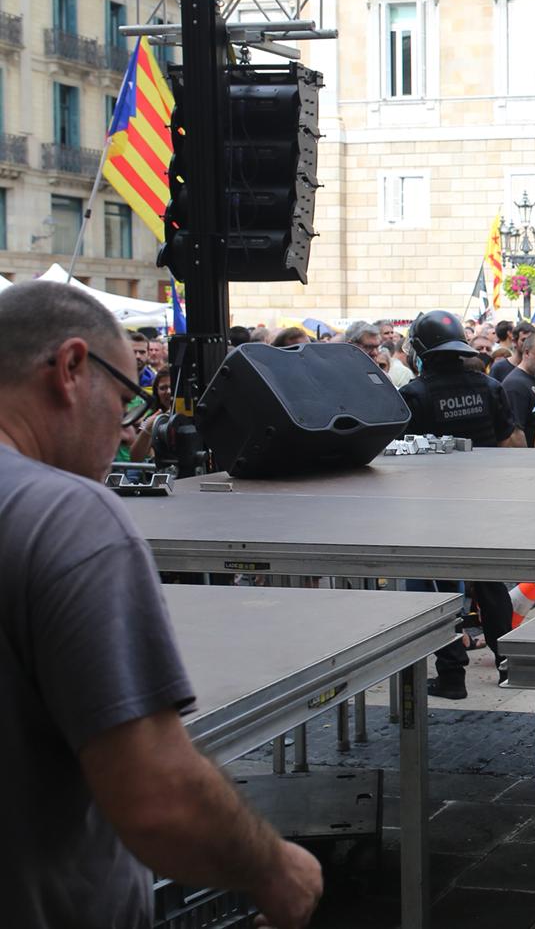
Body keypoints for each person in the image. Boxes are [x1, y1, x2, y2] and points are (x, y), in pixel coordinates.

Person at [0, 281, 323, 928]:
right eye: (124, 398)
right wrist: (277, 871)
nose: (124, 429)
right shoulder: (66, 515)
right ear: (70, 369)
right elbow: (158, 802)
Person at [398, 310, 523, 697]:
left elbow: (400, 456)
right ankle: (508, 666)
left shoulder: (414, 395)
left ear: (422, 351)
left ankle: (452, 675)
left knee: (440, 588)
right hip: (482, 500)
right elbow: (512, 442)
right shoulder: (488, 386)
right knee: (491, 586)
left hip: (435, 506)